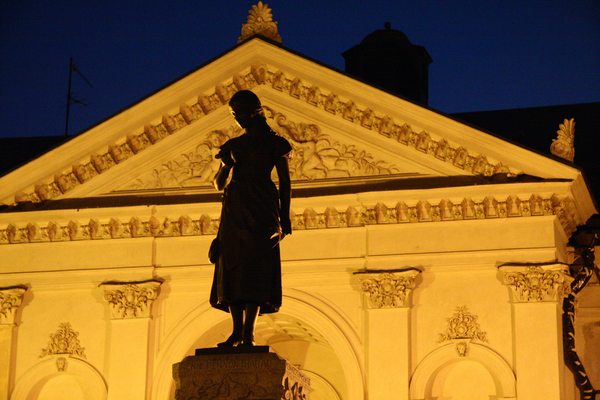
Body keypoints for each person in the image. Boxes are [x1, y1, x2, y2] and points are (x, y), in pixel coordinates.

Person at [209, 90, 292, 347]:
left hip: (262, 208)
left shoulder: (275, 143)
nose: (237, 120)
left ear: (254, 111)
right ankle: (236, 332)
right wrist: (226, 165)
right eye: (234, 115)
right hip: (234, 208)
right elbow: (219, 185)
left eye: (240, 113)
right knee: (232, 268)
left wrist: (285, 217)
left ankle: (248, 334)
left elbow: (285, 184)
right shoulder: (234, 146)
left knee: (254, 269)